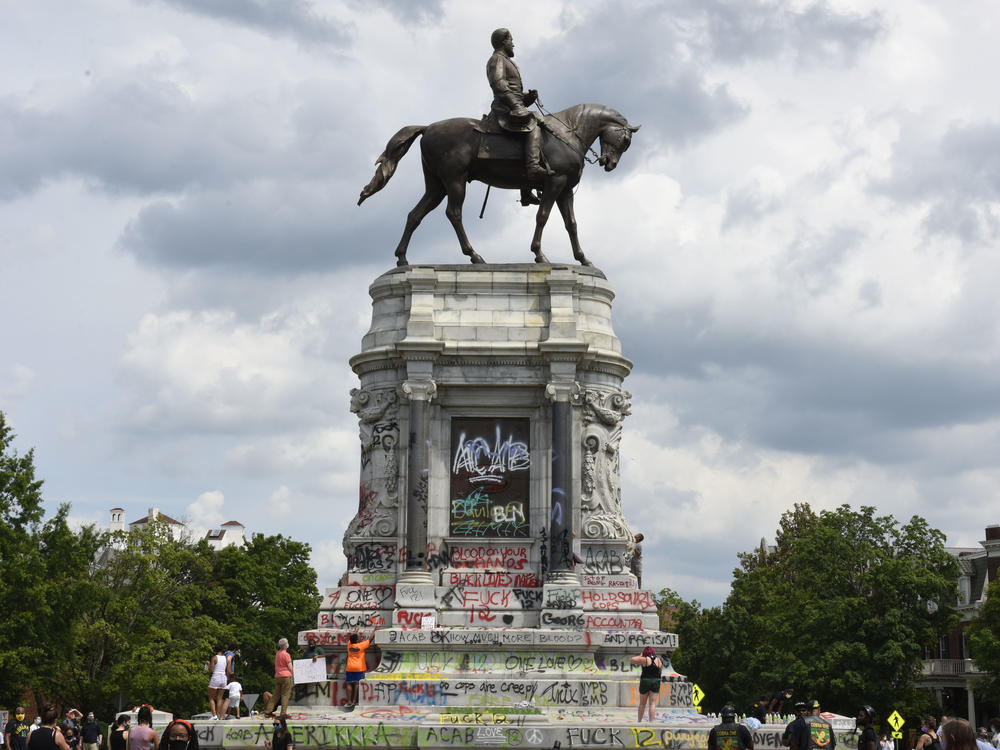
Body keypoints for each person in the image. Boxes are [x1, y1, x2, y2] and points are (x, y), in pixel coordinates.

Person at [486, 28, 553, 207]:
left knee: (526, 128)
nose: (513, 44)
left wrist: (526, 98)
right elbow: (499, 85)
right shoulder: (497, 59)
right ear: (503, 41)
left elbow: (513, 92)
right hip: (504, 109)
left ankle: (526, 191)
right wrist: (516, 105)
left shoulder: (508, 61)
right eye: (511, 40)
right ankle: (533, 168)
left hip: (511, 106)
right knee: (535, 121)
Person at [628, 646, 662, 723]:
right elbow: (660, 670)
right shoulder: (659, 660)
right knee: (652, 704)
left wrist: (640, 656)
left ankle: (639, 721)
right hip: (656, 681)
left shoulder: (645, 659)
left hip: (645, 681)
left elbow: (632, 660)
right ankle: (651, 722)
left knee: (642, 704)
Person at [264, 637, 295, 717]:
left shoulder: (278, 653)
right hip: (286, 676)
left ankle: (268, 711)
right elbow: (290, 666)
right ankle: (283, 713)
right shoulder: (286, 655)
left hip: (278, 676)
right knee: (285, 695)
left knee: (276, 695)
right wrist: (294, 674)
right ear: (285, 645)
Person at [344, 628, 374, 711]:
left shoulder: (349, 645)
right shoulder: (361, 646)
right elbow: (370, 639)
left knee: (349, 683)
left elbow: (351, 637)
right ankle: (355, 701)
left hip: (349, 667)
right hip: (359, 667)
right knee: (357, 684)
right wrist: (375, 629)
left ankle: (349, 701)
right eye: (359, 638)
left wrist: (355, 631)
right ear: (357, 640)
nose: (360, 638)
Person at [207, 645, 229, 720]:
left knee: (211, 697)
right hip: (223, 678)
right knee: (219, 698)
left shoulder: (214, 658)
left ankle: (214, 715)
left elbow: (212, 670)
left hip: (216, 676)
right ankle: (218, 715)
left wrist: (208, 664)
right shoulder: (225, 658)